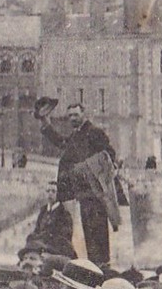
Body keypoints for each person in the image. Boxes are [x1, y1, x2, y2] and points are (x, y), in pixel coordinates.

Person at [39, 101, 119, 265]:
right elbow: (62, 143)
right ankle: (96, 265)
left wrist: (85, 169)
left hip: (95, 193)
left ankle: (102, 265)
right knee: (90, 232)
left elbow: (109, 155)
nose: (73, 118)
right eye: (70, 116)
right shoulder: (77, 135)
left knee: (97, 232)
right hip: (83, 193)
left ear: (84, 114)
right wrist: (46, 125)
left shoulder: (94, 132)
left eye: (76, 115)